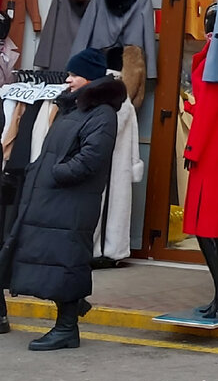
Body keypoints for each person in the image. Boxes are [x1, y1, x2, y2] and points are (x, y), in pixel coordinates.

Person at [0, 48, 125, 350]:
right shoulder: (77, 108)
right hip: (57, 199)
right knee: (54, 259)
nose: (67, 80)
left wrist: (56, 173)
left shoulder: (102, 113)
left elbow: (91, 159)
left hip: (72, 201)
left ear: (90, 77)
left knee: (66, 261)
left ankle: (67, 327)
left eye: (73, 75)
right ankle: (71, 310)